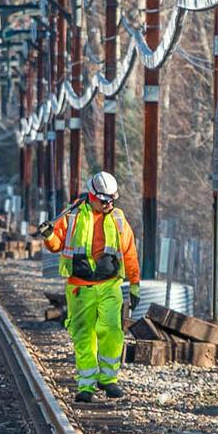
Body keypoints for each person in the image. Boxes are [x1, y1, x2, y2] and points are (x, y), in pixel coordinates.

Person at [42, 170, 141, 401]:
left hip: (109, 285)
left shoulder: (118, 219)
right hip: (79, 287)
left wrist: (135, 282)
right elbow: (56, 245)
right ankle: (86, 385)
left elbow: (129, 252)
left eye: (112, 200)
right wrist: (48, 235)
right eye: (104, 200)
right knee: (83, 335)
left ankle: (108, 380)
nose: (108, 204)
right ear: (92, 195)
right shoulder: (72, 215)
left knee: (112, 330)